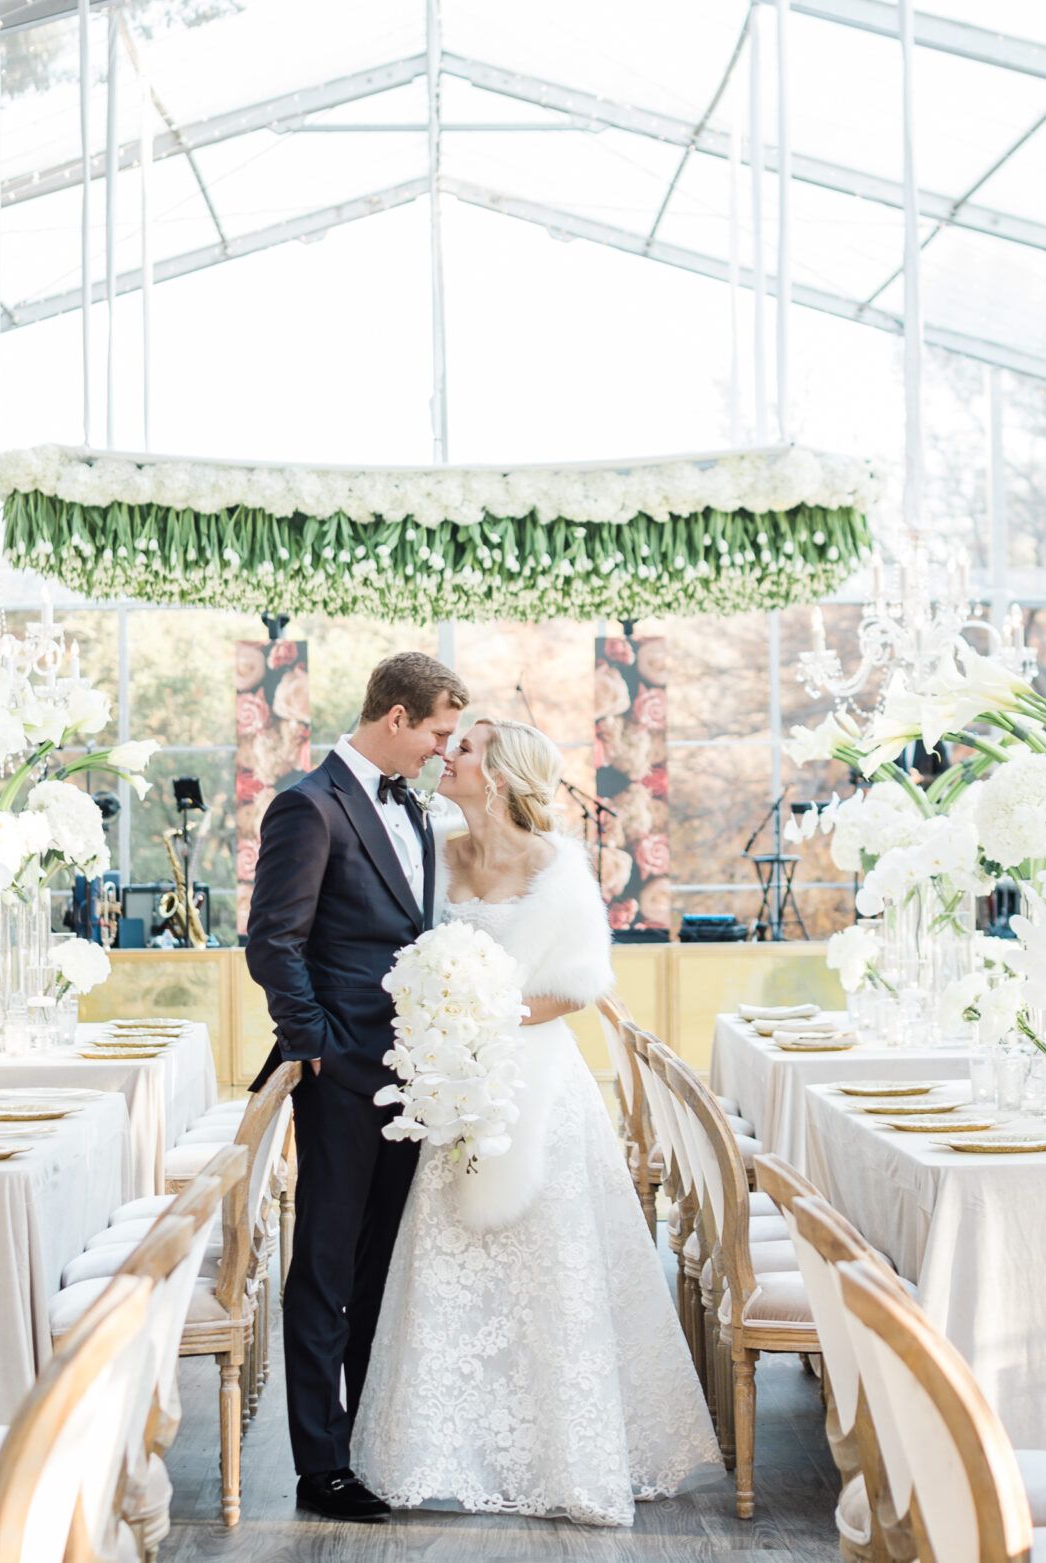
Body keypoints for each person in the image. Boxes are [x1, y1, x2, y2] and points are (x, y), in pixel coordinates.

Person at [352, 717, 718, 1526]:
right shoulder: (434, 845)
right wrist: (443, 1021)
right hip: (452, 1085)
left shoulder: (558, 867)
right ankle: (444, 1448)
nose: (450, 754)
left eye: (469, 747)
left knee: (548, 1267)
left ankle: (566, 1454)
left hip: (534, 1086)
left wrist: (487, 1011)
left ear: (503, 775)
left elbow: (581, 984)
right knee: (450, 1258)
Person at [242, 651, 467, 1524]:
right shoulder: (309, 805)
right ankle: (319, 1465)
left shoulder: (413, 804)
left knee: (380, 1267)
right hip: (343, 1077)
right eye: (438, 733)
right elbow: (273, 942)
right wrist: (321, 1049)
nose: (444, 751)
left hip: (412, 1076)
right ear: (399, 718)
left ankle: (373, 1439)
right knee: (326, 1267)